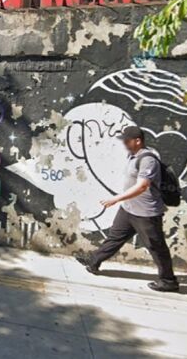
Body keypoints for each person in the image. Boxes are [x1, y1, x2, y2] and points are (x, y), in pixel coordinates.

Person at [76, 125, 179, 292]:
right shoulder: (133, 156)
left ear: (137, 141)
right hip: (129, 209)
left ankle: (169, 281)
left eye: (127, 140)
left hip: (146, 213)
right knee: (115, 237)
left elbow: (142, 186)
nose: (124, 144)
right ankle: (93, 262)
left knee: (156, 246)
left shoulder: (148, 160)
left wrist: (115, 199)